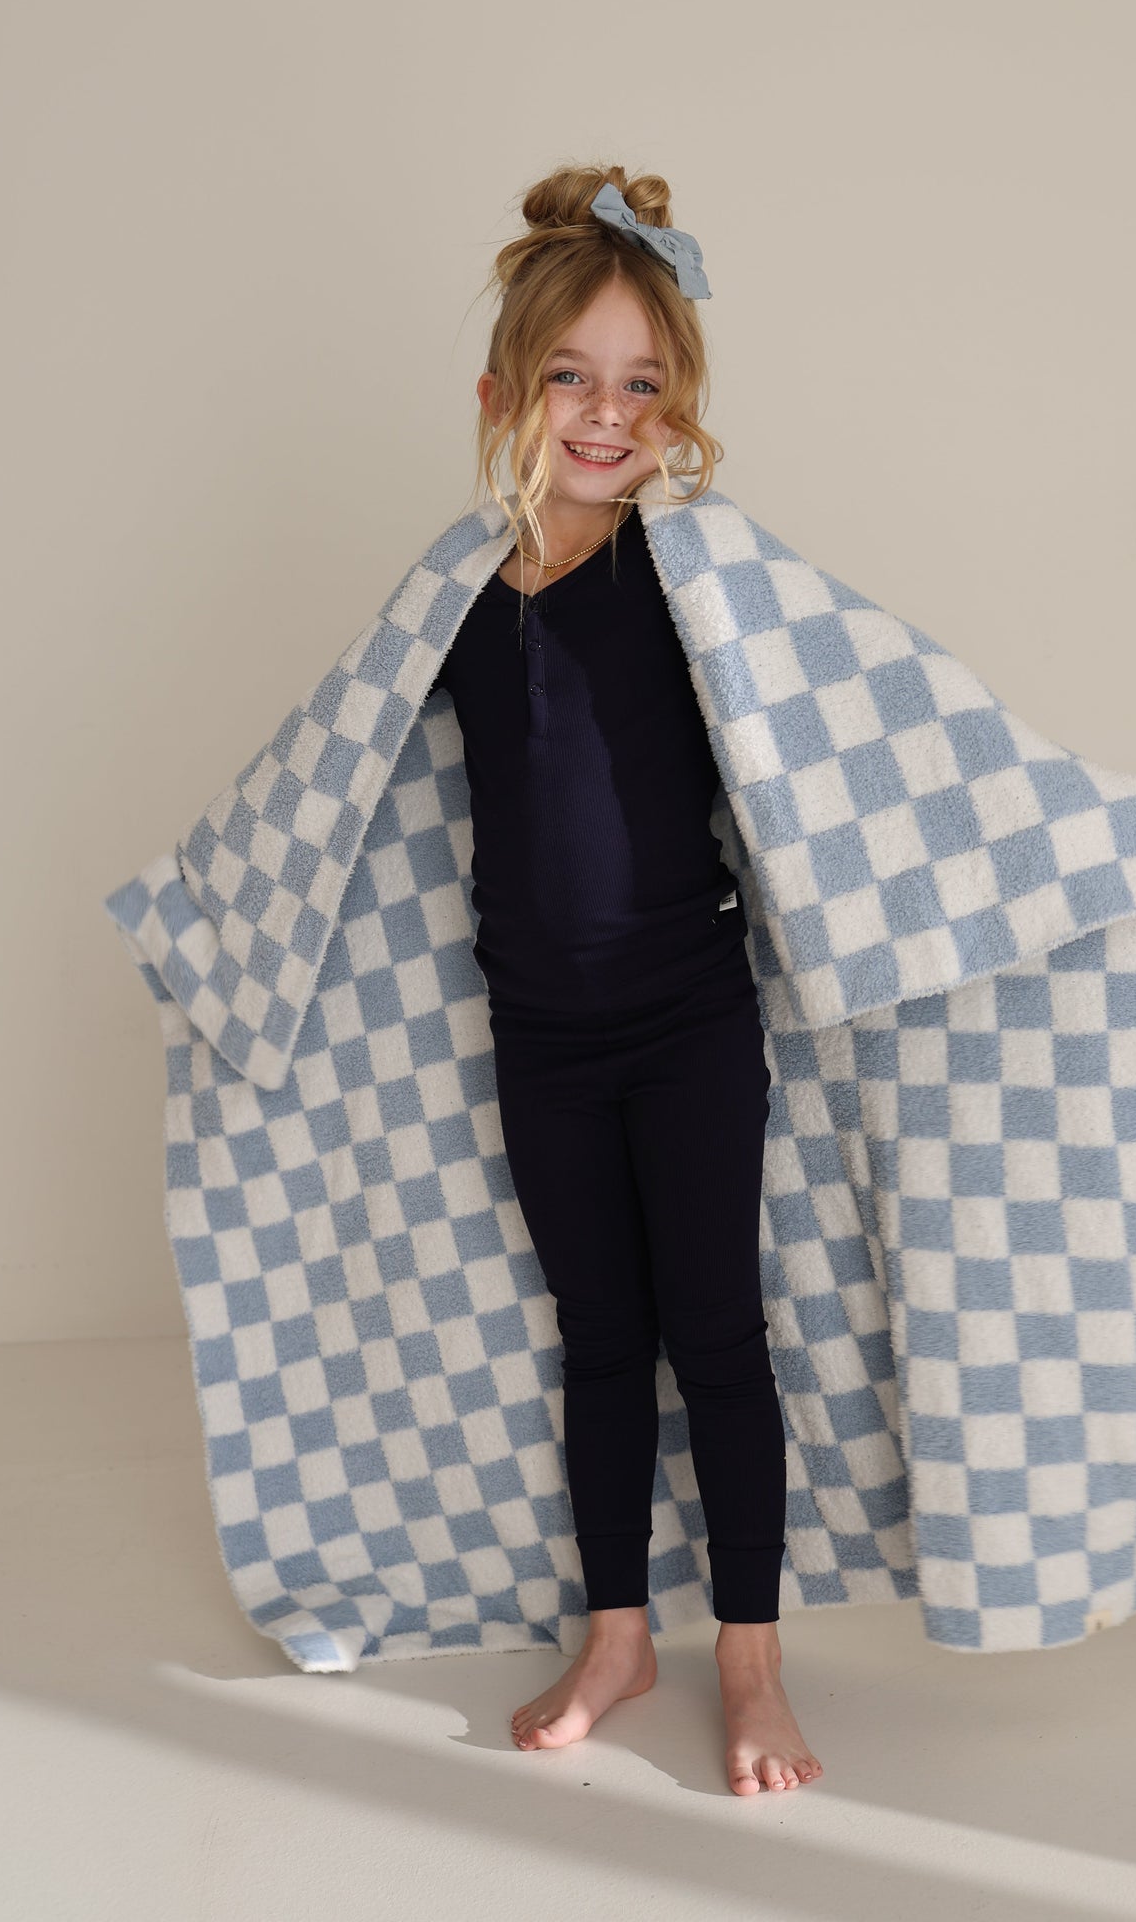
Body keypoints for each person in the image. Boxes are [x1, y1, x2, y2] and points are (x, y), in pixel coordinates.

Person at [428, 163, 824, 1798]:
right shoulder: (448, 602)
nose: (606, 414)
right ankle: (616, 1633)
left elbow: (828, 716)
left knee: (713, 1336)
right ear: (505, 393)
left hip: (684, 1022)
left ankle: (748, 1662)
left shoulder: (691, 579)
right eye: (572, 378)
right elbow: (355, 773)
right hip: (540, 1029)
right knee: (598, 1334)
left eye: (642, 383)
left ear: (678, 409)